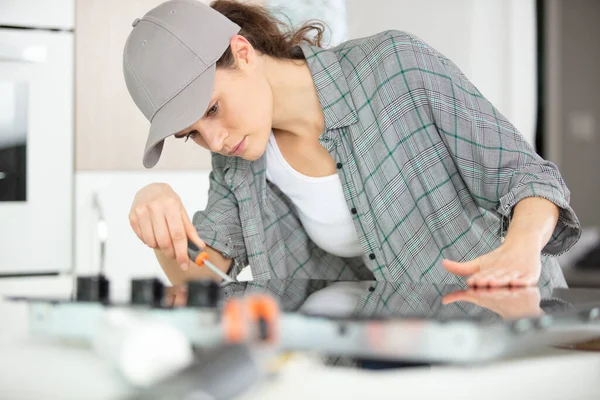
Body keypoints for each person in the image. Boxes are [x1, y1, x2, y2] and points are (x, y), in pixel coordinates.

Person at [124, 0, 581, 288]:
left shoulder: (395, 67)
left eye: (212, 109)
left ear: (243, 53)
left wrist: (521, 249)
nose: (216, 141)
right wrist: (158, 213)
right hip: (404, 357)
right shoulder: (239, 160)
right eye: (193, 135)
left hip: (511, 323)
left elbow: (528, 178)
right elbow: (204, 272)